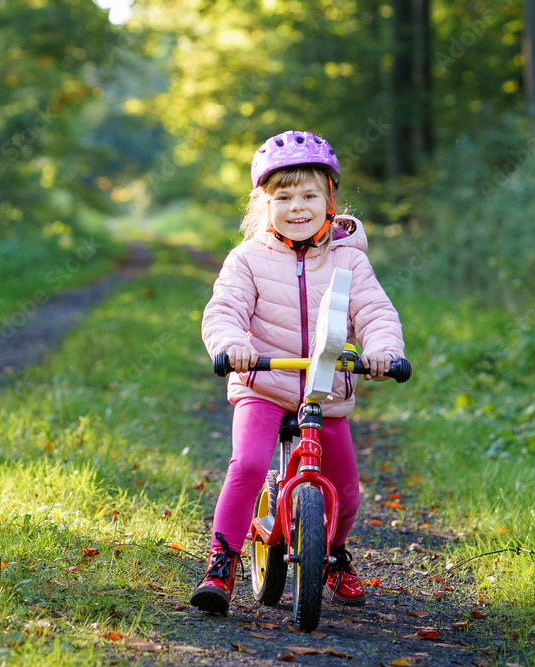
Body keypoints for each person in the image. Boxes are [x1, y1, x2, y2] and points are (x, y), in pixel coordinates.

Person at [190, 130, 405, 613]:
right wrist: (231, 345)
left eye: (308, 195)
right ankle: (221, 563)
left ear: (329, 201)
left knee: (346, 492)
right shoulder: (248, 259)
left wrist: (383, 351)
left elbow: (375, 313)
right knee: (248, 465)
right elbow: (224, 309)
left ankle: (334, 554)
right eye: (283, 197)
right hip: (264, 383)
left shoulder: (349, 258)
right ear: (264, 205)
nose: (297, 207)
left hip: (324, 388)